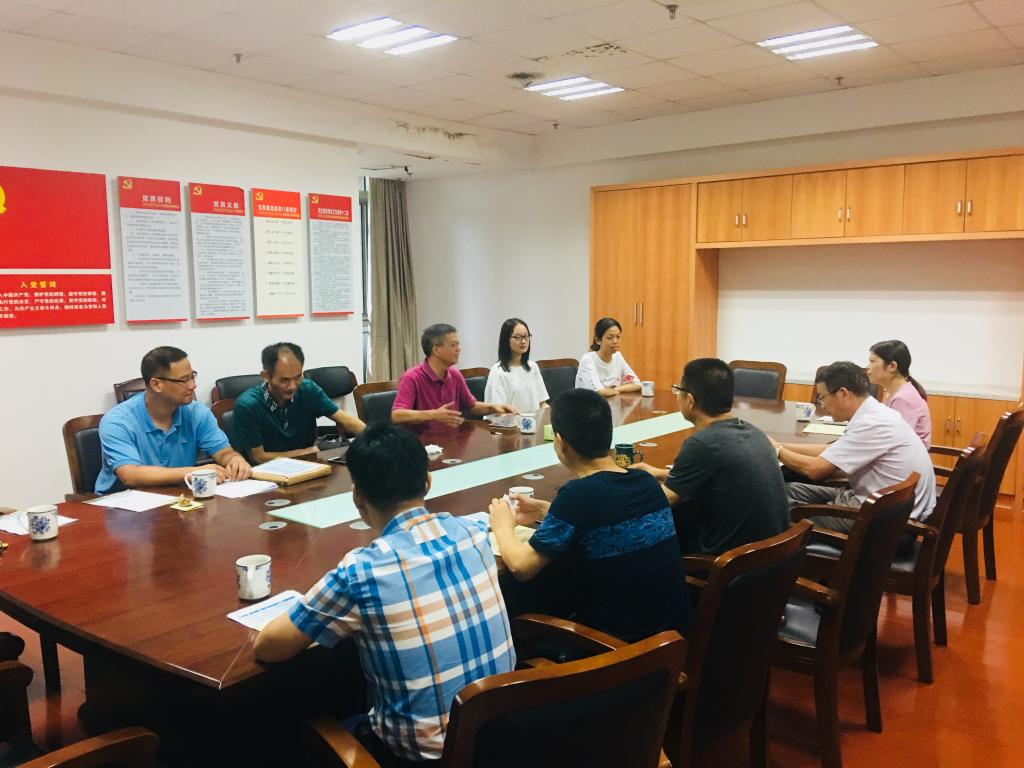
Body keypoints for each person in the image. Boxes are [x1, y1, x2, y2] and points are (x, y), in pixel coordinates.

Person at [254, 423, 515, 766]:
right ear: (428, 482)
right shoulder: (473, 531)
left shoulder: (361, 572)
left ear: (357, 497)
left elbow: (270, 647)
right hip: (504, 736)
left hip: (424, 760)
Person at [489, 388, 689, 641]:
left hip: (620, 650)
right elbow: (601, 515)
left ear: (560, 442)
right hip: (674, 639)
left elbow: (521, 567)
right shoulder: (646, 482)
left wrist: (502, 526)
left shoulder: (577, 495)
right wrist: (544, 509)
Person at [632, 358, 789, 555]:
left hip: (734, 564)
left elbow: (665, 499)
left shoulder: (703, 443)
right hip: (775, 555)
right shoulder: (753, 432)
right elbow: (719, 476)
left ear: (689, 400)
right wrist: (657, 473)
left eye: (677, 390)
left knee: (648, 533)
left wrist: (626, 488)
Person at [772, 361, 936, 531]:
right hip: (885, 504)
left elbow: (814, 470)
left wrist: (776, 450)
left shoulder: (871, 423)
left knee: (780, 511)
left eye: (822, 397)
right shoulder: (874, 413)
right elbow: (830, 451)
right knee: (788, 491)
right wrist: (781, 445)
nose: (822, 404)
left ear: (843, 393)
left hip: (883, 521)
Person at [95, 347, 250, 493]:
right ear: (156, 384)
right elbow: (130, 475)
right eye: (183, 380)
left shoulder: (197, 413)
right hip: (121, 503)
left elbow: (222, 452)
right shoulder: (118, 422)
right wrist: (193, 472)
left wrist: (235, 460)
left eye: (192, 376)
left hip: (178, 497)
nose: (193, 385)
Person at [231, 342, 365, 463]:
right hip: (267, 474)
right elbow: (258, 457)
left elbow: (346, 420)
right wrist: (303, 453)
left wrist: (374, 440)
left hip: (308, 465)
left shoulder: (308, 389)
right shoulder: (248, 405)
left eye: (297, 377)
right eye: (284, 380)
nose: (292, 386)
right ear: (266, 376)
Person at [392, 323, 515, 425]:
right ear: (436, 350)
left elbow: (471, 406)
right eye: (453, 345)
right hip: (423, 443)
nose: (458, 349)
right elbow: (397, 415)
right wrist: (433, 415)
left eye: (458, 344)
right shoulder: (412, 377)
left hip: (453, 440)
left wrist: (493, 407)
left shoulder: (454, 374)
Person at [867, 339, 931, 447]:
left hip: (905, 457)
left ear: (892, 366)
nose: (868, 367)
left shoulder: (902, 399)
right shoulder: (894, 393)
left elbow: (896, 441)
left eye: (872, 361)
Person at [483, 318, 549, 420]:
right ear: (506, 340)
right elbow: (499, 413)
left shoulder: (533, 367)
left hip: (533, 425)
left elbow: (542, 404)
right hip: (507, 427)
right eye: (517, 337)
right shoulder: (498, 371)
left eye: (526, 336)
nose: (523, 341)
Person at [575, 317, 641, 396]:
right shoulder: (588, 360)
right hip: (587, 403)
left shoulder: (618, 356)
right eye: (610, 338)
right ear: (598, 340)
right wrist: (617, 389)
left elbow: (637, 384)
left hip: (611, 402)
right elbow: (599, 392)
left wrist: (615, 389)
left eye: (618, 337)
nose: (615, 341)